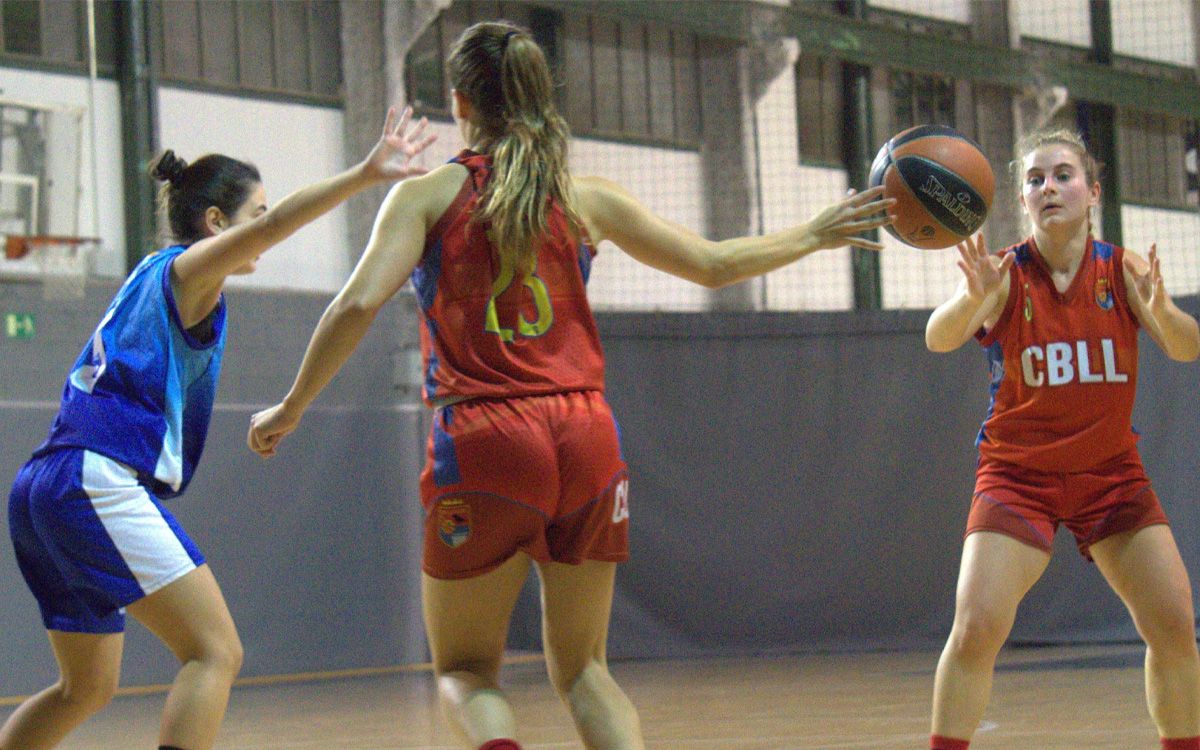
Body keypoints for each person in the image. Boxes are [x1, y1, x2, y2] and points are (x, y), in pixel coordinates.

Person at [246, 20, 892, 750]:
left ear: (460, 101)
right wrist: (813, 232)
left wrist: (291, 406)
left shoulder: (427, 196)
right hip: (586, 435)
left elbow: (357, 304)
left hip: (486, 436)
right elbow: (714, 265)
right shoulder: (588, 199)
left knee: (464, 671)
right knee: (585, 670)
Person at [1, 106, 434, 750]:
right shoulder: (186, 272)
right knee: (215, 652)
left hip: (43, 486)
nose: (263, 226)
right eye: (253, 215)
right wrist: (366, 174)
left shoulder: (153, 279)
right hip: (93, 477)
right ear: (215, 225)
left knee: (84, 689)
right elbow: (284, 223)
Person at [924, 128, 1200, 750]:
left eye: (1062, 175)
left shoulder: (1123, 269)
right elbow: (937, 338)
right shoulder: (1003, 274)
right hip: (1019, 476)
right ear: (1022, 201)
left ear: (1092, 191)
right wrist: (970, 299)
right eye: (1034, 179)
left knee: (1175, 624)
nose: (1048, 186)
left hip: (1110, 474)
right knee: (975, 627)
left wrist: (1164, 308)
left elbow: (1186, 347)